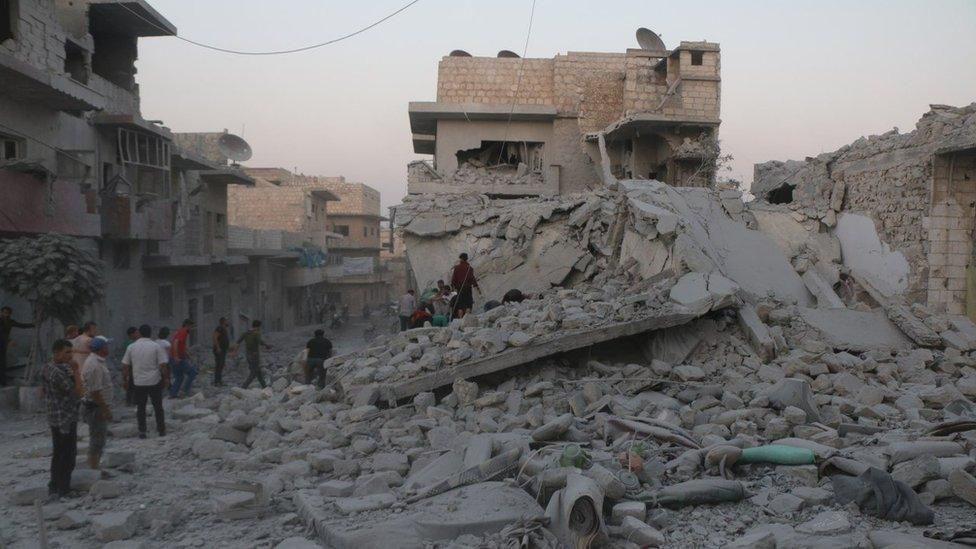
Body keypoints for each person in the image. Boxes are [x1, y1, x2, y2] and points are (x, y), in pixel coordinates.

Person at [42, 339, 82, 499]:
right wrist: (77, 371)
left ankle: (55, 486)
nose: (70, 356)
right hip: (63, 417)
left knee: (59, 452)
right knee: (67, 454)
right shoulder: (56, 372)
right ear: (56, 353)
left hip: (58, 415)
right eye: (67, 352)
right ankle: (63, 489)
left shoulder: (49, 367)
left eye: (71, 352)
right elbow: (77, 392)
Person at [122, 325, 169, 439]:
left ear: (139, 333)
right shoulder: (156, 346)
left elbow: (125, 365)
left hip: (139, 382)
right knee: (158, 407)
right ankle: (161, 430)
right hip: (154, 381)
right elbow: (163, 365)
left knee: (141, 407)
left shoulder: (131, 347)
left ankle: (142, 431)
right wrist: (166, 378)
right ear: (150, 333)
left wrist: (125, 380)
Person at [81, 336, 113, 470]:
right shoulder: (94, 365)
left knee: (99, 438)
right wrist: (105, 409)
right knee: (97, 440)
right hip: (96, 407)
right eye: (107, 346)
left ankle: (94, 466)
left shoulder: (98, 361)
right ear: (101, 348)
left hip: (96, 406)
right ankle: (93, 469)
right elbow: (95, 392)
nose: (108, 348)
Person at [0, 306, 34, 386]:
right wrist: (9, 341)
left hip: (3, 344)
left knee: (2, 363)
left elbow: (21, 325)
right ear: (1, 313)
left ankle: (3, 382)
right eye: (4, 313)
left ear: (10, 314)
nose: (6, 315)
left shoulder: (10, 321)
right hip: (3, 342)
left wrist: (33, 324)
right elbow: (1, 333)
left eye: (7, 313)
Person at [234, 320, 272, 389]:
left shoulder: (246, 332)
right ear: (258, 326)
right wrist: (267, 345)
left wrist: (234, 351)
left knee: (257, 371)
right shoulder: (256, 333)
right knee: (254, 373)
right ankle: (243, 387)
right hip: (255, 355)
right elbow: (260, 341)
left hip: (248, 355)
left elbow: (238, 342)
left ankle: (264, 386)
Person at [169, 319, 197, 398]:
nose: (191, 329)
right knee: (192, 373)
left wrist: (186, 354)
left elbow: (180, 345)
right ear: (188, 325)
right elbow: (175, 343)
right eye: (191, 326)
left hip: (174, 357)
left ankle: (173, 394)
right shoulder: (183, 332)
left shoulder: (180, 331)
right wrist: (176, 356)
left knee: (179, 377)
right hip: (178, 358)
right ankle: (185, 391)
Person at [450, 253, 480, 318]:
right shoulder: (470, 268)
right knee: (468, 304)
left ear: (461, 259)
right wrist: (476, 286)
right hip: (468, 288)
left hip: (460, 288)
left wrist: (453, 287)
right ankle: (468, 318)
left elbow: (454, 279)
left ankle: (460, 319)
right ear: (467, 259)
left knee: (460, 305)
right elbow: (472, 278)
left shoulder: (457, 268)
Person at [122, 326, 138, 405]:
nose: (137, 334)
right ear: (131, 334)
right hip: (132, 365)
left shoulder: (131, 343)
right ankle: (132, 401)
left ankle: (131, 401)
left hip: (133, 365)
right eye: (136, 333)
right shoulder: (130, 344)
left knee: (132, 384)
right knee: (132, 383)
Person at [212, 317, 230, 387]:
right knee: (219, 365)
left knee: (221, 365)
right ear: (223, 322)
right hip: (219, 350)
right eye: (226, 321)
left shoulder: (224, 329)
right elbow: (214, 337)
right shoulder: (219, 328)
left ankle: (219, 381)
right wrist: (218, 347)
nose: (228, 322)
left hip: (223, 350)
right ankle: (217, 382)